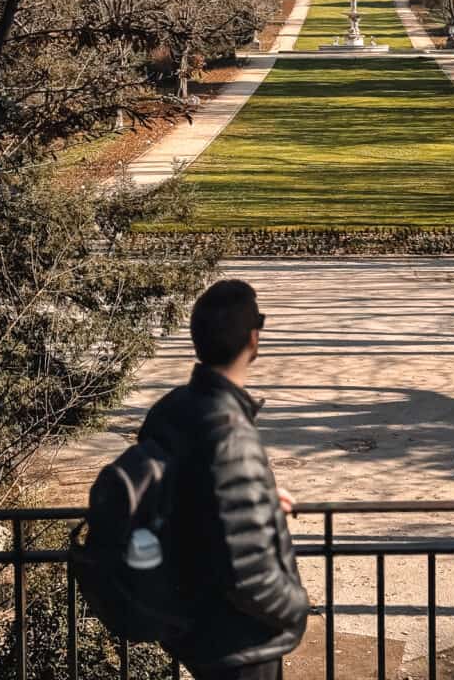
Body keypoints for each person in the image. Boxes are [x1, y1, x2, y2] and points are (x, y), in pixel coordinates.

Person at [139, 280, 309, 680]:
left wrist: (259, 495)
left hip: (193, 623)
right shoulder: (231, 430)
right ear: (253, 340)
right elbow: (247, 572)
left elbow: (196, 493)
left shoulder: (170, 410)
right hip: (239, 643)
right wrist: (295, 609)